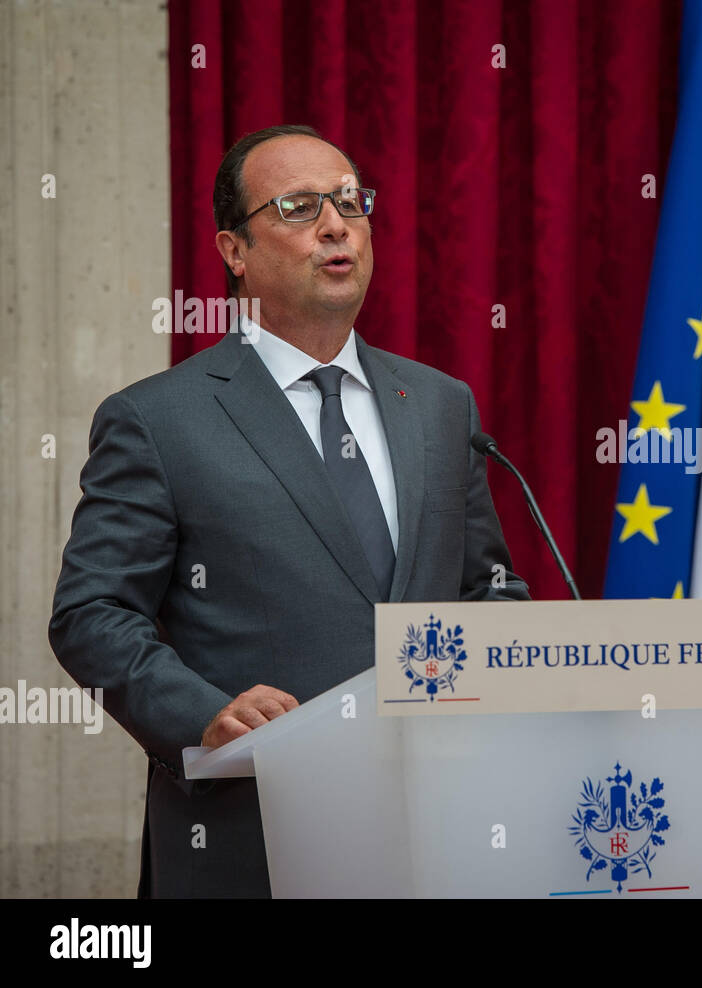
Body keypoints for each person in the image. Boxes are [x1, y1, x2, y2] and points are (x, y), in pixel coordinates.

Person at [49, 124, 528, 897]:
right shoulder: (158, 420)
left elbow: (486, 590)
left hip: (437, 832)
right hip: (250, 833)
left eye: (349, 201)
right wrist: (203, 717)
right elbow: (91, 613)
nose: (337, 225)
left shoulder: (440, 405)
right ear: (234, 251)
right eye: (300, 206)